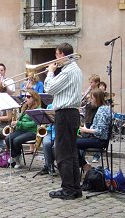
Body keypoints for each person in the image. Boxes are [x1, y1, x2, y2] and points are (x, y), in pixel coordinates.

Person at [44, 42, 83, 200]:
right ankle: (75, 188)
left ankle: (67, 189)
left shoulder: (68, 71)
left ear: (62, 54)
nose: (55, 59)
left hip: (65, 114)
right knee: (71, 153)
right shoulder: (73, 69)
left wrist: (50, 72)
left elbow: (49, 89)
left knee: (62, 154)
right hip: (71, 114)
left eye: (56, 55)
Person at [77, 88, 111, 172]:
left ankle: (84, 165)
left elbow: (100, 131)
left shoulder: (102, 111)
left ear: (97, 98)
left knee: (70, 144)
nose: (90, 101)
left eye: (92, 98)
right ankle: (82, 164)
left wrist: (85, 130)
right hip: (97, 138)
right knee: (73, 142)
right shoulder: (104, 108)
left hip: (99, 140)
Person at [5, 89, 40, 169]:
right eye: (25, 96)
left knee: (16, 140)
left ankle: (16, 159)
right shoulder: (25, 107)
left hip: (31, 132)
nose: (25, 98)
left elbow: (33, 123)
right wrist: (16, 122)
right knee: (8, 138)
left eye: (28, 97)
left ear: (34, 98)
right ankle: (15, 156)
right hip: (21, 130)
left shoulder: (37, 109)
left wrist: (18, 123)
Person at [80, 74, 101, 163]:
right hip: (87, 117)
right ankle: (82, 158)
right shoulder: (90, 92)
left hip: (93, 117)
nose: (90, 84)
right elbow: (84, 105)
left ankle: (95, 156)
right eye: (90, 82)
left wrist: (89, 100)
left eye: (91, 82)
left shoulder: (98, 93)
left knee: (88, 137)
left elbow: (94, 106)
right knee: (84, 136)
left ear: (97, 83)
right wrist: (84, 98)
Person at [38, 103, 57, 175]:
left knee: (55, 146)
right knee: (46, 143)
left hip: (59, 132)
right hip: (49, 131)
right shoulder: (50, 106)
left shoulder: (64, 106)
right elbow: (46, 122)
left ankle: (48, 165)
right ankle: (50, 166)